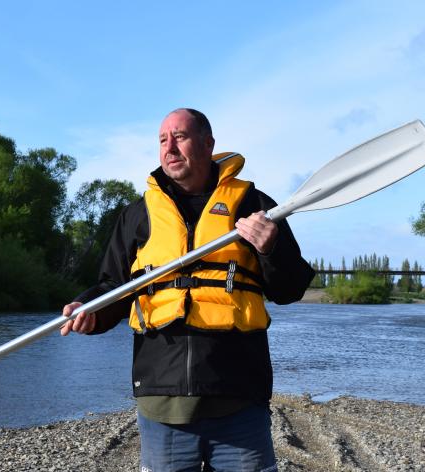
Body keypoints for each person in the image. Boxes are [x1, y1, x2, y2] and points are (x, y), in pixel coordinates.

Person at [61, 108, 314, 472]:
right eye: (163, 140)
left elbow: (290, 288)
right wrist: (89, 309)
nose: (170, 148)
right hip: (162, 400)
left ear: (208, 144)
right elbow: (114, 287)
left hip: (238, 396)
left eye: (179, 137)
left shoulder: (254, 207)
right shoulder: (137, 215)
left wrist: (270, 249)